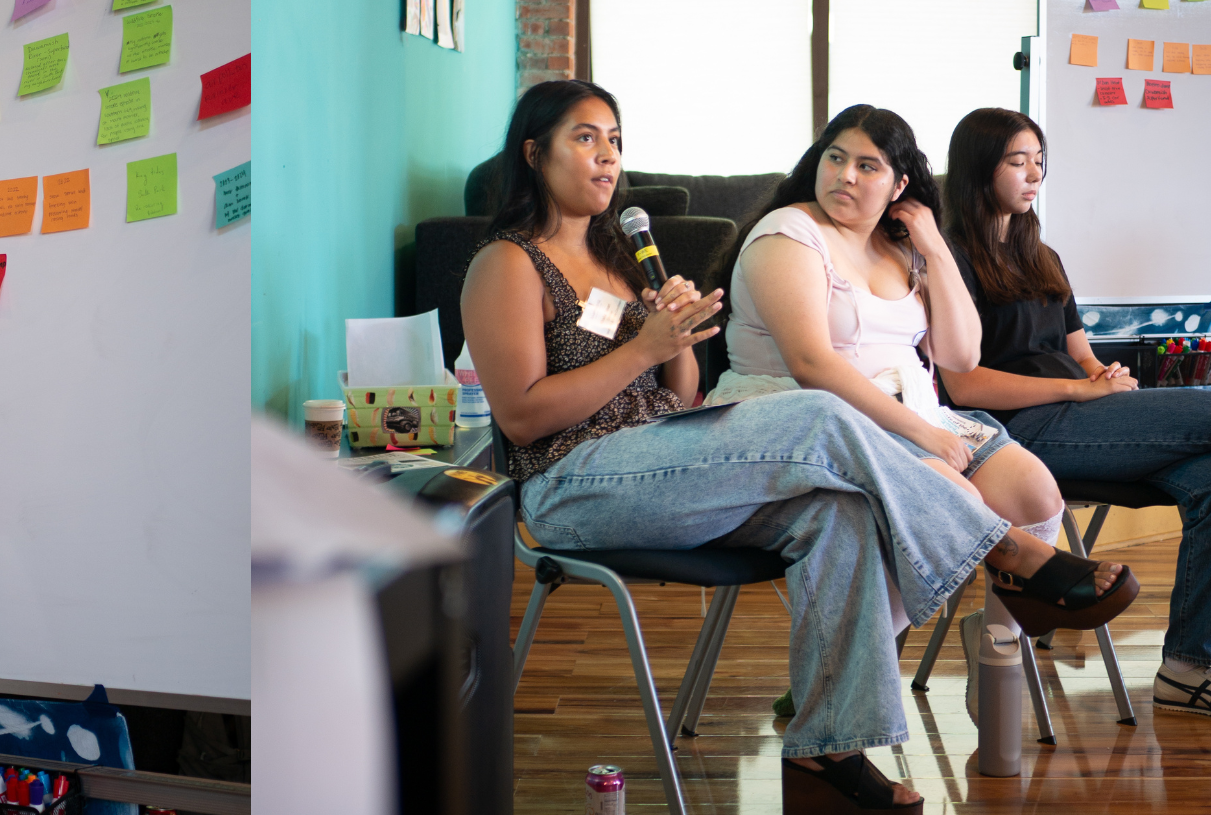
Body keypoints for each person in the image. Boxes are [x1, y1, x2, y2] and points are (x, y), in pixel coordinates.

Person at [460, 80, 1109, 813]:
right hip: (574, 486)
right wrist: (642, 349)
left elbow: (677, 396)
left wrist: (672, 337)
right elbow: (518, 419)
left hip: (661, 458)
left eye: (615, 139)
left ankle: (824, 751)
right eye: (585, 138)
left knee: (847, 514)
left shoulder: (615, 257)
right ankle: (1005, 553)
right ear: (532, 151)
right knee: (817, 411)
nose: (607, 156)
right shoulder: (506, 264)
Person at [710, 104, 1136, 722]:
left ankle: (995, 646)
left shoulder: (901, 245)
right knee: (943, 490)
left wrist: (934, 244)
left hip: (913, 408)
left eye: (868, 166)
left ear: (899, 185)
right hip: (805, 415)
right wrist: (921, 436)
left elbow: (961, 353)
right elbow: (811, 363)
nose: (846, 177)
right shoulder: (789, 232)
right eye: (836, 158)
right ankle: (1004, 575)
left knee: (1035, 491)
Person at [939, 106, 1211, 715]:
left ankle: (1188, 668)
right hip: (1016, 436)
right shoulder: (951, 259)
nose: (1034, 174)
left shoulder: (1043, 254)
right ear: (980, 168)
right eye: (1018, 161)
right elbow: (964, 387)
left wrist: (1101, 376)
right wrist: (1078, 391)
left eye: (1040, 161)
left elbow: (1079, 355)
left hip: (1081, 418)